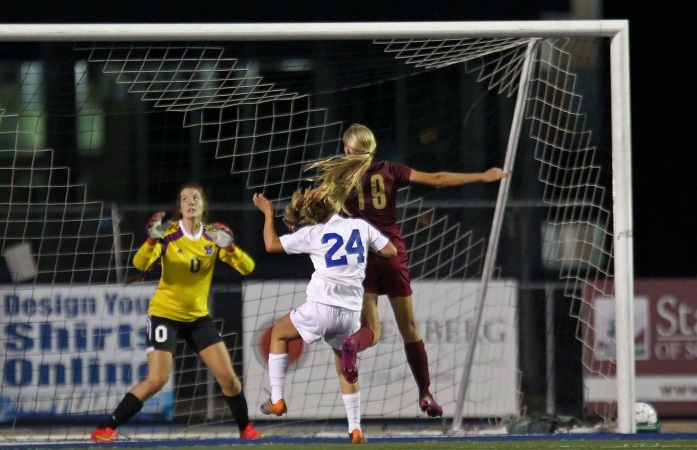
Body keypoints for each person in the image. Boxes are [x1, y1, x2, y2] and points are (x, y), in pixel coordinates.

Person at [313, 123, 507, 417]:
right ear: (372, 147)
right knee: (409, 329)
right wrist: (483, 175)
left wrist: (295, 218)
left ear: (348, 149)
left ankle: (353, 344)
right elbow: (438, 180)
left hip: (361, 258)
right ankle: (426, 394)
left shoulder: (340, 178)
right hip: (392, 254)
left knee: (371, 330)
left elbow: (313, 200)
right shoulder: (390, 170)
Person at [91, 182, 263, 443]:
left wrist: (229, 248)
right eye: (185, 199)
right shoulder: (168, 234)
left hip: (197, 319)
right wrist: (151, 239)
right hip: (165, 315)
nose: (190, 202)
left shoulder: (213, 236)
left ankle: (246, 429)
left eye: (196, 197)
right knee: (157, 379)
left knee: (229, 379)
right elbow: (139, 263)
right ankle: (106, 428)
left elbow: (248, 268)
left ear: (203, 205)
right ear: (180, 207)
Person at [252, 188, 396, 444]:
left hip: (321, 307)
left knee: (278, 334)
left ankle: (277, 400)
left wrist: (267, 213)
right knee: (344, 369)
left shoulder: (313, 233)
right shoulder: (360, 226)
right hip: (351, 312)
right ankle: (355, 429)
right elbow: (390, 251)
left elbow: (270, 245)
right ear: (335, 205)